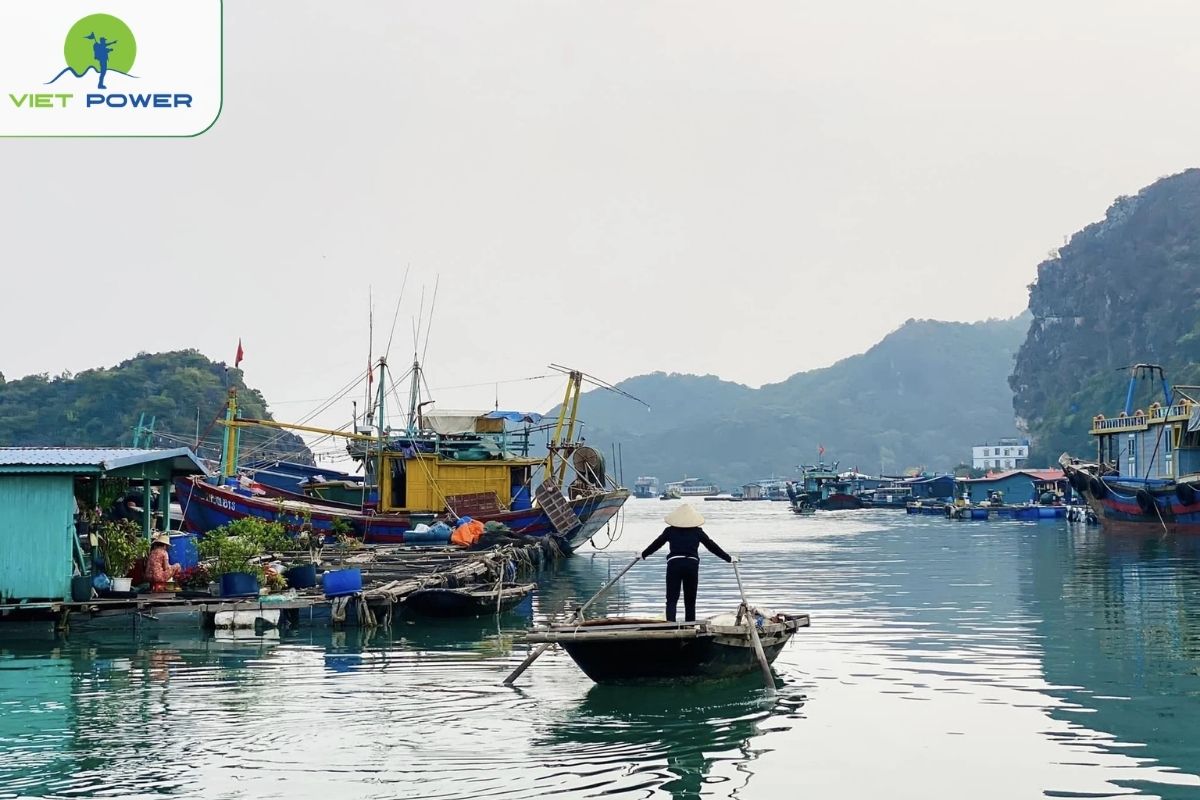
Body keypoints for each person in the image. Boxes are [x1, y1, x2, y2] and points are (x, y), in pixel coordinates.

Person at [640, 504, 737, 622]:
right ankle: (690, 625)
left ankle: (670, 625)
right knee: (690, 600)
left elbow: (657, 543)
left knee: (671, 599)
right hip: (691, 565)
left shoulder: (669, 531)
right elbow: (712, 546)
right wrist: (728, 558)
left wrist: (643, 554)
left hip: (674, 564)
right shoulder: (697, 531)